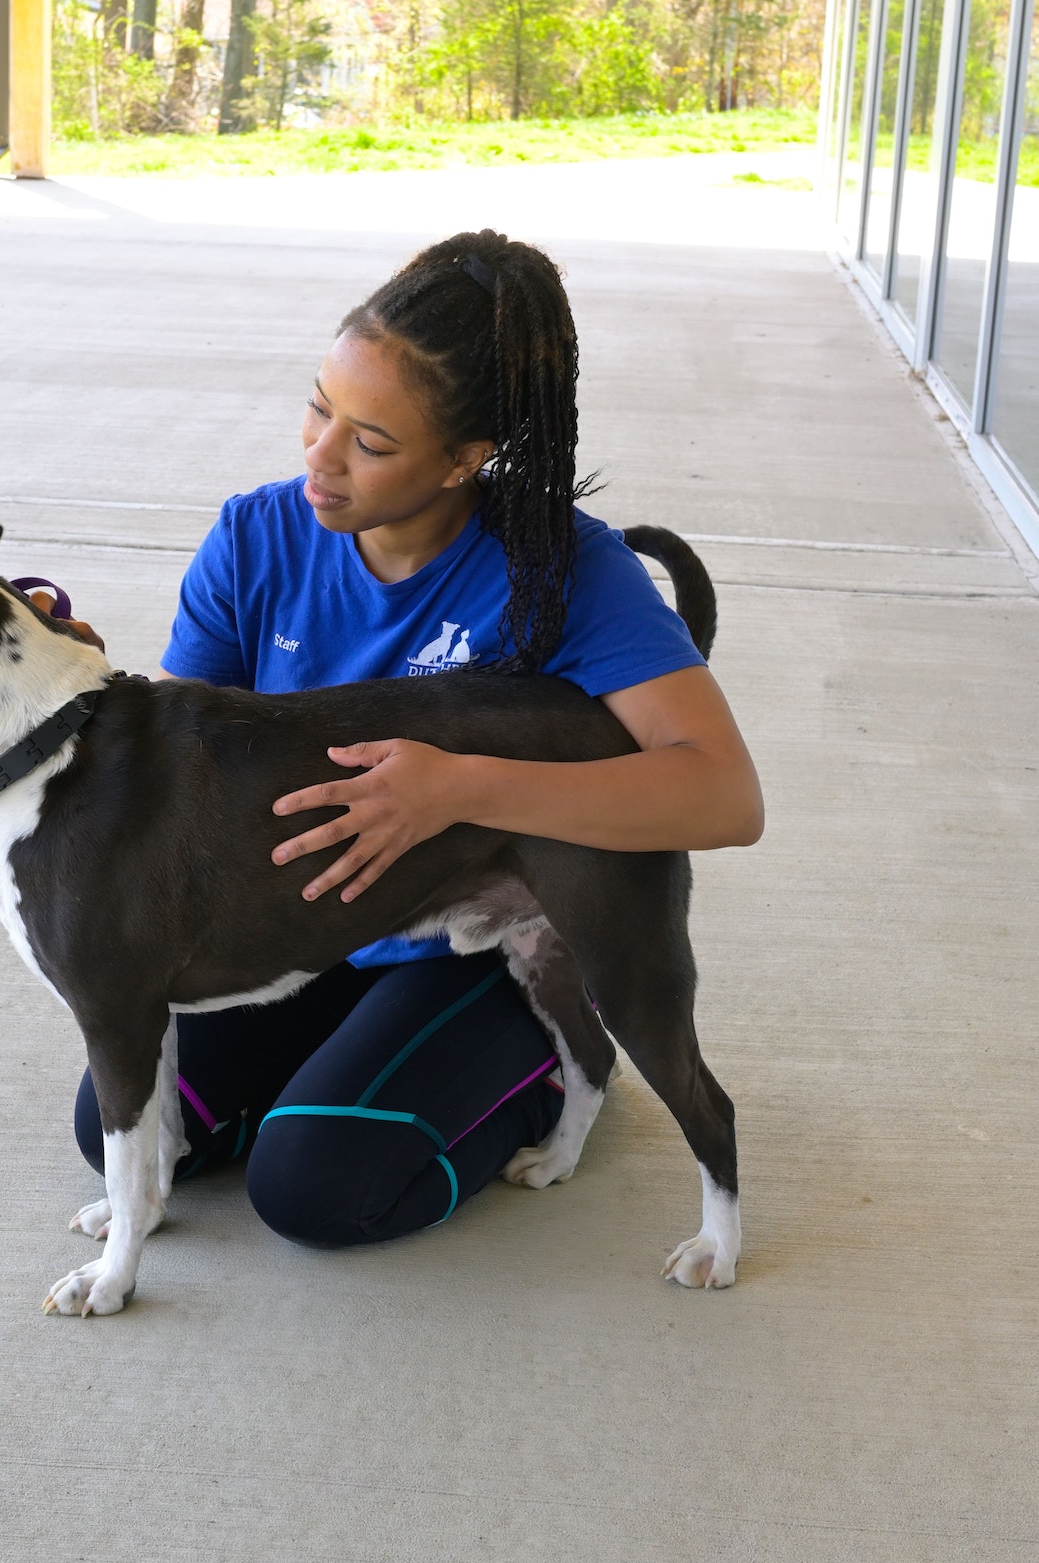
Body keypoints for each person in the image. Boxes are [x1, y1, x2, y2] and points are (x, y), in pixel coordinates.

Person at [70, 230, 763, 1247]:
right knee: (119, 1124)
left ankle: (563, 1062)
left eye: (372, 442)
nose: (320, 454)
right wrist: (71, 695)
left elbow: (722, 796)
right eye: (319, 405)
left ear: (466, 458)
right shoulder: (255, 537)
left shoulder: (562, 567)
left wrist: (460, 786)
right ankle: (345, 1065)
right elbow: (178, 771)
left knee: (316, 1186)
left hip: (469, 939)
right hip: (297, 924)